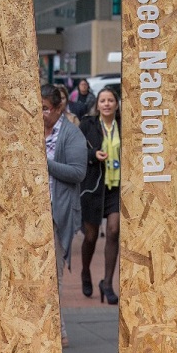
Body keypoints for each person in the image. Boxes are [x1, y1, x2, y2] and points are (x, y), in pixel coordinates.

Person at [41, 83, 87, 347]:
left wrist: (44, 163)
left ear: (59, 108)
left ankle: (59, 331)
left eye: (45, 109)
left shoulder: (71, 134)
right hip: (32, 215)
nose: (41, 114)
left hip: (58, 213)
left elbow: (78, 172)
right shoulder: (32, 130)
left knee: (54, 273)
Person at [79, 86, 121, 301]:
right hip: (94, 186)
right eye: (103, 100)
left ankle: (107, 283)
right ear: (97, 104)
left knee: (113, 231)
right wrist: (93, 154)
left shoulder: (123, 126)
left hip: (116, 187)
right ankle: (85, 272)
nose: (106, 104)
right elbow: (75, 150)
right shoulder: (88, 124)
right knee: (91, 236)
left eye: (110, 100)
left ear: (116, 103)